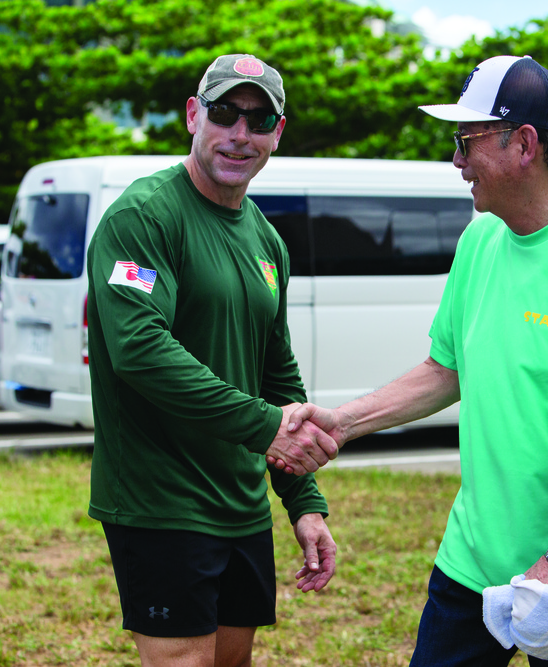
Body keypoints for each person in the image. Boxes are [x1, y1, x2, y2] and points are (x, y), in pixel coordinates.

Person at [276, 55, 548, 666]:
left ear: (524, 144)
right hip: (470, 559)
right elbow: (445, 371)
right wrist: (341, 423)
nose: (456, 161)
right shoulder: (480, 238)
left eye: (466, 141)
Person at [85, 54, 340, 667]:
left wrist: (303, 502)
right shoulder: (144, 217)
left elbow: (276, 375)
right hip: (160, 501)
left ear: (278, 133)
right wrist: (264, 425)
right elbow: (139, 350)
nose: (239, 135)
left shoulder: (265, 239)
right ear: (194, 117)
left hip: (241, 504)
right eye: (224, 114)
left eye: (258, 120)